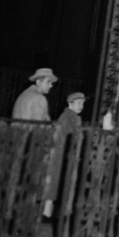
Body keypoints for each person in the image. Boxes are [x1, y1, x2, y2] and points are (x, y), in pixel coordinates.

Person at [46, 91, 86, 221]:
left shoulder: (65, 115)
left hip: (58, 153)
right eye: (78, 103)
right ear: (70, 103)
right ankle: (60, 216)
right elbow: (76, 137)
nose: (81, 106)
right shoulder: (73, 117)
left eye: (83, 103)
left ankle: (48, 213)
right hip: (63, 154)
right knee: (62, 184)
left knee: (53, 186)